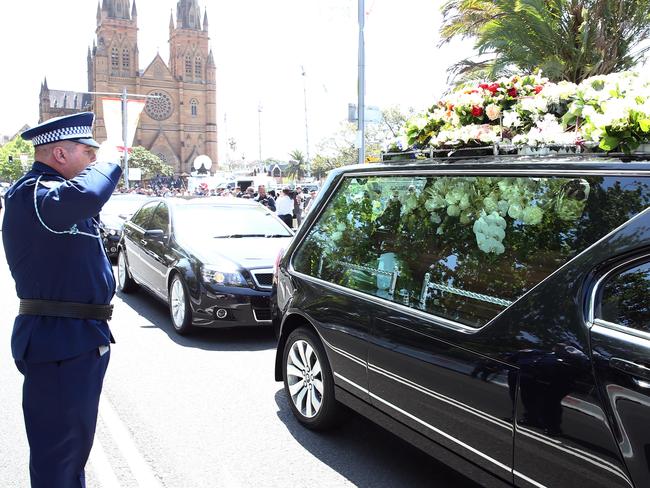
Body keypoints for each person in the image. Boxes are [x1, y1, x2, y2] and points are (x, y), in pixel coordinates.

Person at [2, 112, 122, 488]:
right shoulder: (32, 195)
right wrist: (114, 159)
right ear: (59, 154)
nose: (92, 160)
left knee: (71, 452)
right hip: (59, 340)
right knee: (58, 457)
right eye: (88, 152)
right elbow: (89, 191)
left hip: (76, 338)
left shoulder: (54, 195)